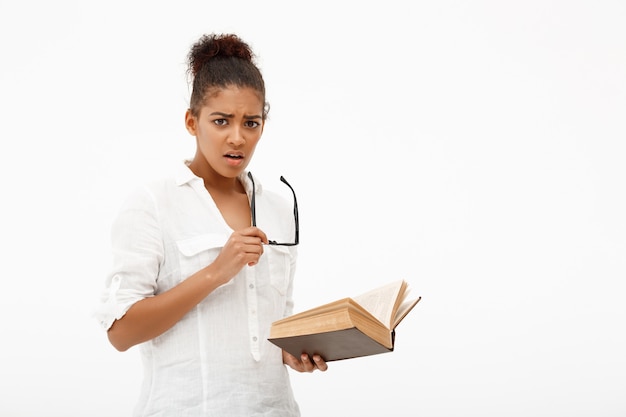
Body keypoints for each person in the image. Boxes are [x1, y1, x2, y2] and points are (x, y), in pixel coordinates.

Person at [95, 32, 327, 416]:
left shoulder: (279, 209)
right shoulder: (153, 204)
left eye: (251, 123)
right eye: (221, 121)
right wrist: (216, 272)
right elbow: (120, 333)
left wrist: (292, 351)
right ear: (192, 121)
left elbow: (267, 325)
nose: (237, 138)